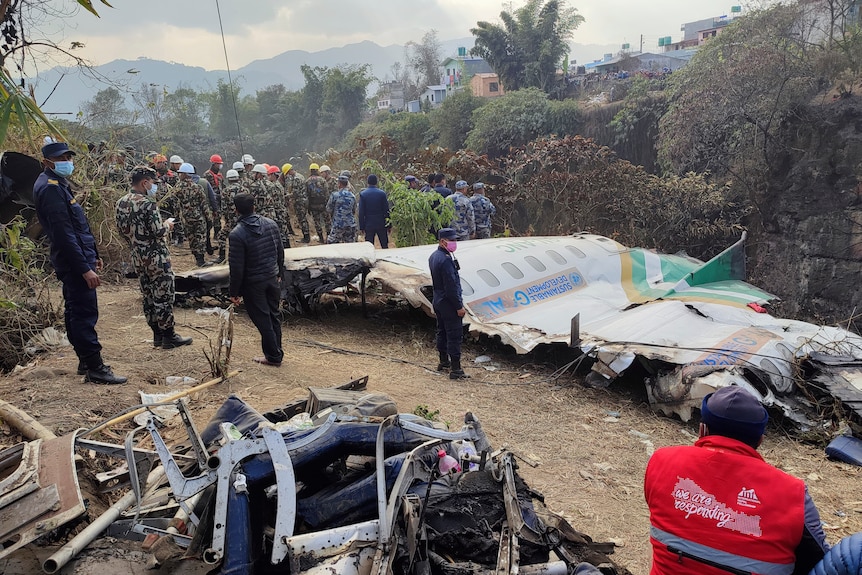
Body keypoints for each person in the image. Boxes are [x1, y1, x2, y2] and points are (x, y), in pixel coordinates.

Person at [644, 386, 829, 575]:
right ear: (760, 441)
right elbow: (819, 560)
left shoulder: (662, 461)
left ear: (702, 429)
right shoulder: (793, 493)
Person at [33, 141, 127, 385]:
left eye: (68, 157)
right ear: (46, 162)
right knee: (84, 312)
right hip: (74, 262)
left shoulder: (58, 184)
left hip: (78, 258)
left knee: (75, 310)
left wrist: (93, 254)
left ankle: (85, 360)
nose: (67, 162)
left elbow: (78, 226)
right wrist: (84, 268)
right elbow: (64, 234)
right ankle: (95, 367)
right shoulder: (50, 188)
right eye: (61, 158)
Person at [116, 166, 193, 350]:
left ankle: (157, 334)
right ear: (145, 182)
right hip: (156, 257)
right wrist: (168, 225)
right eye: (153, 182)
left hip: (137, 256)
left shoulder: (121, 202)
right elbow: (158, 231)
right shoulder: (147, 203)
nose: (155, 186)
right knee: (164, 295)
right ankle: (169, 336)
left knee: (148, 295)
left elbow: (121, 230)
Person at [228, 194, 285, 367]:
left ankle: (273, 356)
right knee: (274, 315)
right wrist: (279, 271)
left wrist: (234, 293)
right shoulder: (271, 224)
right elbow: (280, 250)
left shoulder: (237, 234)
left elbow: (236, 268)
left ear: (236, 210)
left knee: (263, 319)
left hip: (253, 283)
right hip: (271, 278)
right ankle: (276, 351)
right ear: (254, 207)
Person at [429, 228, 468, 379]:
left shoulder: (434, 256)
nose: (454, 243)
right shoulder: (445, 260)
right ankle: (456, 369)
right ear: (442, 241)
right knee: (454, 335)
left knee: (442, 331)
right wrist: (458, 306)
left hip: (438, 300)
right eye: (451, 240)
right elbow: (451, 286)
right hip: (448, 303)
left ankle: (443, 361)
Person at [174, 163, 212, 267]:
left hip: (186, 218)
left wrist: (177, 219)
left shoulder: (176, 188)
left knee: (191, 238)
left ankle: (197, 258)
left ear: (185, 174)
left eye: (180, 173)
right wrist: (209, 219)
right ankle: (201, 260)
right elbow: (204, 205)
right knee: (200, 238)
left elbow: (176, 206)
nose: (179, 175)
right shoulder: (197, 187)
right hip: (199, 217)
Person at [217, 169, 244, 263]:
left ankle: (222, 257)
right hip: (244, 220)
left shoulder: (225, 191)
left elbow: (224, 208)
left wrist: (227, 220)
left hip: (232, 221)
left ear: (228, 179)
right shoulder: (245, 189)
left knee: (221, 236)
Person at [358, 174, 390, 248]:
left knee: (369, 247)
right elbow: (386, 210)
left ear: (367, 182)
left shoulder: (363, 194)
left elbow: (361, 212)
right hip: (381, 223)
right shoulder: (382, 194)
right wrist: (389, 225)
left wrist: (362, 227)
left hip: (369, 224)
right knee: (384, 245)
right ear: (376, 182)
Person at [326, 174, 357, 243]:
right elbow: (354, 210)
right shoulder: (352, 196)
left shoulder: (335, 195)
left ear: (339, 184)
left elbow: (328, 209)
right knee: (350, 245)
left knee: (332, 243)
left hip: (338, 224)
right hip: (350, 224)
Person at [305, 163, 328, 243]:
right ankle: (328, 237)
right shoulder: (322, 180)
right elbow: (326, 192)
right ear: (317, 170)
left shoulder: (307, 181)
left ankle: (321, 239)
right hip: (323, 204)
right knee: (327, 221)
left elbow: (306, 195)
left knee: (317, 222)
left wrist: (308, 207)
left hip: (313, 205)